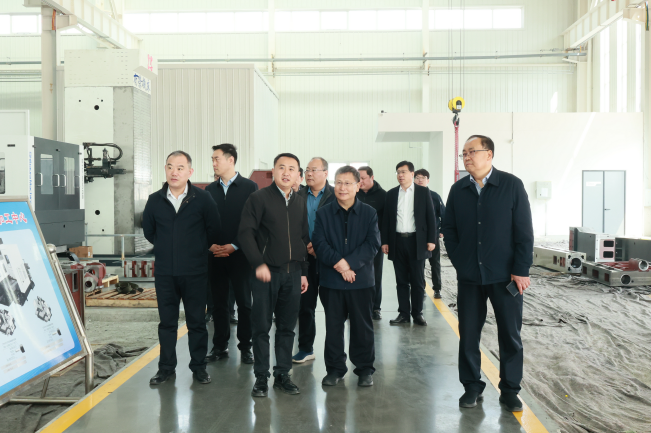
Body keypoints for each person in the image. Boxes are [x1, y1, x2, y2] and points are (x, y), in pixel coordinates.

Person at [442, 135, 533, 412]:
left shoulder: (511, 185)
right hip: (470, 276)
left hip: (505, 276)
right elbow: (449, 230)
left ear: (489, 154)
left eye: (472, 151)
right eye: (464, 153)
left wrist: (521, 269)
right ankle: (472, 386)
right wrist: (461, 262)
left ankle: (510, 390)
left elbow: (524, 232)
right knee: (469, 333)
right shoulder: (458, 190)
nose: (466, 157)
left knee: (510, 334)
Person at [143, 151, 221, 385]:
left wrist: (195, 250)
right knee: (167, 323)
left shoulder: (203, 198)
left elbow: (214, 229)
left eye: (179, 168)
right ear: (165, 170)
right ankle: (166, 368)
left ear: (190, 171)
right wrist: (167, 248)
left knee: (196, 322)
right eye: (169, 167)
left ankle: (199, 367)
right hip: (165, 273)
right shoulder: (154, 200)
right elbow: (149, 231)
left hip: (195, 272)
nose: (174, 172)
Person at [238, 153, 310, 398]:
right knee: (261, 327)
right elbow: (245, 234)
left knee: (287, 328)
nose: (286, 173)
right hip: (266, 274)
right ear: (273, 171)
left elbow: (303, 238)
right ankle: (261, 377)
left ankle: (282, 374)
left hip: (293, 274)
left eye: (291, 168)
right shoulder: (258, 198)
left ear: (298, 174)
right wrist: (258, 263)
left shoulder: (299, 201)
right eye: (282, 167)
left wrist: (303, 272)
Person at [312, 166, 380, 387]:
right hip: (331, 281)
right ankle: (335, 369)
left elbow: (372, 245)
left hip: (361, 280)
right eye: (339, 182)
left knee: (362, 327)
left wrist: (349, 264)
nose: (342, 187)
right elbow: (319, 244)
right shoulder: (323, 213)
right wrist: (341, 265)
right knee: (333, 327)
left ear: (358, 186)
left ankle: (365, 369)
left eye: (348, 183)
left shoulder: (369, 213)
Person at [205, 143, 259, 365]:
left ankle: (246, 347)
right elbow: (204, 222)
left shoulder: (250, 187)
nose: (213, 163)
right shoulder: (209, 190)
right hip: (215, 256)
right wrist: (211, 245)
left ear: (231, 160)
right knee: (219, 304)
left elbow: (253, 222)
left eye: (216, 159)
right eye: (212, 159)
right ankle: (220, 346)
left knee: (245, 304)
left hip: (241, 256)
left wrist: (234, 245)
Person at [381, 161, 437, 326]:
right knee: (401, 281)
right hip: (397, 241)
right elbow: (386, 220)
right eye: (398, 172)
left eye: (404, 172)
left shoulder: (422, 192)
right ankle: (404, 314)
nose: (400, 175)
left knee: (417, 281)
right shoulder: (391, 194)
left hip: (416, 242)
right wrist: (385, 241)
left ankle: (417, 313)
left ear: (412, 174)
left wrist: (431, 240)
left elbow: (431, 217)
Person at [293, 157, 335, 364]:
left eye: (314, 170)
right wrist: (305, 246)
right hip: (304, 259)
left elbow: (340, 229)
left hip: (328, 259)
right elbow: (292, 227)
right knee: (305, 306)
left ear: (325, 173)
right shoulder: (297, 196)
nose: (309, 174)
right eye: (307, 170)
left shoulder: (336, 195)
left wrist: (321, 247)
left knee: (333, 308)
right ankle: (305, 348)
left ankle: (334, 353)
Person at [357, 166, 386, 320]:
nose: (360, 181)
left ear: (371, 177)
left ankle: (375, 307)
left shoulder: (383, 195)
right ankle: (356, 306)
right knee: (355, 273)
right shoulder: (354, 193)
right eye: (358, 179)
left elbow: (387, 221)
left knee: (375, 275)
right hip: (355, 242)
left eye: (363, 178)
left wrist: (385, 241)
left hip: (375, 243)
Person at [414, 169, 446, 299]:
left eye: (423, 177)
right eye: (417, 177)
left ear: (428, 180)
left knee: (435, 263)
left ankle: (437, 289)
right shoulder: (411, 196)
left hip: (433, 236)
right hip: (417, 237)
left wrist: (442, 230)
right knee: (419, 264)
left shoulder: (434, 196)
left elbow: (444, 214)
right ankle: (420, 287)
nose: (420, 180)